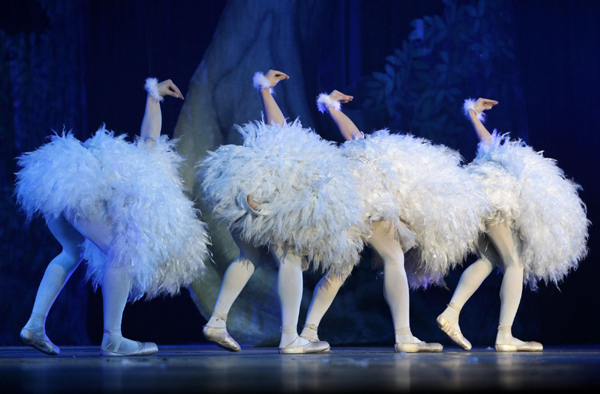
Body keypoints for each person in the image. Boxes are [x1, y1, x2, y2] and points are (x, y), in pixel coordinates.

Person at [16, 78, 210, 356]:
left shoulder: (147, 166)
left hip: (60, 178)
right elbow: (150, 138)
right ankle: (113, 339)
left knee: (72, 251)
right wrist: (154, 97)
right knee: (123, 252)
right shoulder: (152, 174)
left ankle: (34, 325)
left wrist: (154, 95)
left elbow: (149, 136)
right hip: (81, 186)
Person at [299, 91, 487, 352]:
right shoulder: (374, 153)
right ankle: (404, 336)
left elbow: (351, 133)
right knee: (393, 257)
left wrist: (332, 107)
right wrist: (332, 107)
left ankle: (309, 331)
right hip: (368, 205)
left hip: (353, 205)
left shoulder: (363, 146)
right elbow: (352, 134)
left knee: (343, 267)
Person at [199, 71, 364, 354]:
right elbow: (355, 137)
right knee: (291, 258)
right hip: (266, 198)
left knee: (248, 257)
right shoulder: (330, 163)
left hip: (246, 194)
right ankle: (290, 336)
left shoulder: (313, 157)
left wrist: (266, 90)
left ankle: (217, 320)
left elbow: (280, 131)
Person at [436, 98, 589, 352]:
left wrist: (473, 113)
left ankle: (451, 313)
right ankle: (504, 335)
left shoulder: (491, 159)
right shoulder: (503, 163)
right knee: (514, 262)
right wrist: (473, 113)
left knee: (488, 260)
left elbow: (487, 141)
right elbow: (489, 142)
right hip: (495, 203)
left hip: (478, 204)